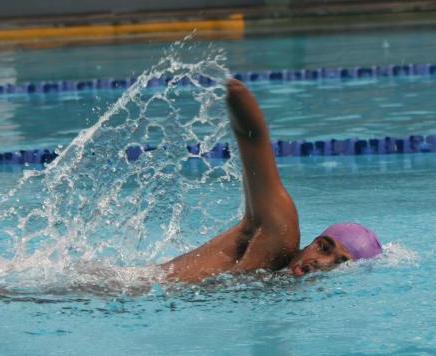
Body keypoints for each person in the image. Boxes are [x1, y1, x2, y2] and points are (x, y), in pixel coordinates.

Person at [160, 79, 382, 282]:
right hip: (132, 290)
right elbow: (253, 139)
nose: (321, 262)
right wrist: (229, 85)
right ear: (312, 242)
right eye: (323, 248)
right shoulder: (279, 238)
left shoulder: (281, 282)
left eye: (340, 263)